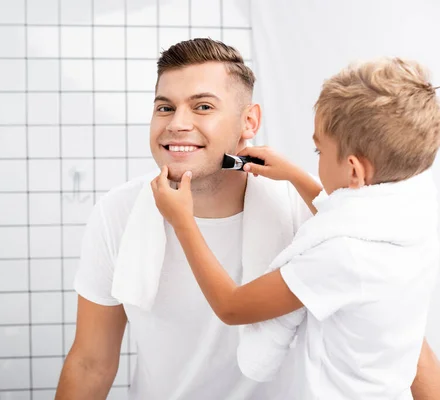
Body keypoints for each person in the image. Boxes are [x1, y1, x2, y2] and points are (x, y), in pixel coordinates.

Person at [55, 39, 440, 399]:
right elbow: (90, 363)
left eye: (203, 106)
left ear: (249, 123)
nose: (176, 124)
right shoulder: (117, 213)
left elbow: (397, 338)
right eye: (164, 107)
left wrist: (183, 223)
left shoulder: (315, 222)